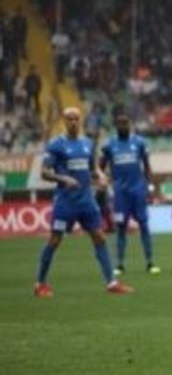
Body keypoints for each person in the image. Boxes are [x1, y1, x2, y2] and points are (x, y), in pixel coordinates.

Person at [33, 107, 133, 297]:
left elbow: (93, 169)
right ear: (64, 121)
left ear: (81, 121)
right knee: (54, 240)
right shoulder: (56, 145)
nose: (73, 122)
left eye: (76, 119)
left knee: (100, 237)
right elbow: (44, 172)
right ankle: (40, 284)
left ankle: (111, 283)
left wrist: (101, 176)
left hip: (86, 201)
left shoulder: (87, 143)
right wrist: (63, 179)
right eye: (69, 119)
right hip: (65, 201)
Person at [100, 111, 158, 276]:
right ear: (116, 126)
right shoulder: (109, 145)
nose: (123, 126)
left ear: (130, 125)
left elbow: (147, 166)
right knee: (121, 228)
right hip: (120, 194)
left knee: (144, 226)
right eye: (120, 124)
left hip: (138, 192)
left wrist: (149, 187)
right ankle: (119, 265)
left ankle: (150, 263)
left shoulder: (139, 142)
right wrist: (103, 180)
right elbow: (100, 167)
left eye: (125, 123)